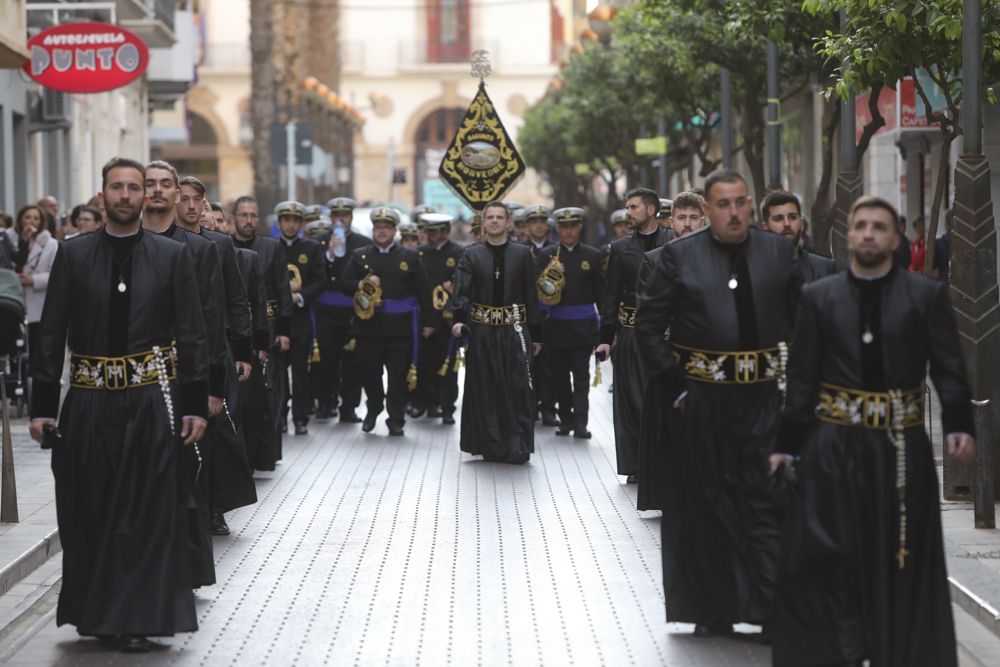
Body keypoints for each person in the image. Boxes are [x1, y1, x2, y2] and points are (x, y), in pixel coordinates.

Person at [769, 196, 974, 667]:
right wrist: (785, 449)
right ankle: (841, 650)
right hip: (832, 450)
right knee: (830, 552)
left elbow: (948, 367)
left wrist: (959, 425)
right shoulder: (819, 298)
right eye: (860, 225)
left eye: (878, 227)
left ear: (895, 238)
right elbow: (802, 380)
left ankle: (895, 650)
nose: (867, 233)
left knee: (899, 556)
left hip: (902, 452)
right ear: (849, 235)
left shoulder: (924, 296)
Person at [30, 156, 208, 652]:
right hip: (86, 405)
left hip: (149, 403)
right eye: (118, 187)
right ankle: (98, 614)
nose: (128, 195)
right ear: (103, 194)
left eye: (135, 187)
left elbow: (193, 333)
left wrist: (194, 404)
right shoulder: (74, 254)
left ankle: (135, 617)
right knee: (89, 508)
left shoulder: (172, 258)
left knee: (144, 513)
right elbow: (51, 332)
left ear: (146, 195)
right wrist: (43, 406)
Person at [635, 169, 800, 636]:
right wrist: (678, 389)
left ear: (751, 206)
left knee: (767, 501)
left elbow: (804, 319)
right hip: (701, 400)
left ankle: (771, 608)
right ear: (707, 210)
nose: (733, 212)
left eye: (741, 203)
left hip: (765, 399)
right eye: (723, 204)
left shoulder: (779, 253)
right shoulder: (678, 257)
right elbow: (649, 327)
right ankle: (713, 608)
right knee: (706, 507)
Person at [143, 161, 233, 565]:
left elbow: (212, 322)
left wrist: (213, 387)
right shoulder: (124, 244)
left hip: (185, 377)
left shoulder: (200, 250)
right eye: (150, 184)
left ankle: (187, 563)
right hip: (137, 381)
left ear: (178, 194)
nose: (158, 191)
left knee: (186, 471)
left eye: (167, 184)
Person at [451, 201, 542, 463]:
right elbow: (461, 290)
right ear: (483, 222)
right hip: (483, 332)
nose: (494, 221)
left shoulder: (522, 254)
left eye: (499, 217)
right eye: (489, 217)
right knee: (486, 386)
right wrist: (459, 320)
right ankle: (490, 445)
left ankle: (518, 444)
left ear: (508, 222)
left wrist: (537, 335)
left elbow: (530, 295)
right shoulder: (471, 254)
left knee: (519, 387)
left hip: (515, 331)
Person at [634, 190, 704, 510]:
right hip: (669, 357)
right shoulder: (654, 260)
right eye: (682, 218)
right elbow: (648, 314)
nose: (687, 224)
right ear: (671, 221)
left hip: (707, 361)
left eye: (694, 218)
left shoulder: (715, 257)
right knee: (665, 432)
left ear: (702, 220)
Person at [596, 187, 672, 484]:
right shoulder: (620, 247)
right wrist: (605, 337)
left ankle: (664, 461)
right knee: (631, 401)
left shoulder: (673, 241)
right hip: (630, 335)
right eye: (627, 208)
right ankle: (637, 465)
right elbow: (610, 295)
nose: (628, 213)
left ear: (651, 210)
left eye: (633, 207)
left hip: (667, 336)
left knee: (662, 398)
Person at [339, 207, 431, 436]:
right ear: (373, 230)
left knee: (398, 376)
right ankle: (374, 408)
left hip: (399, 328)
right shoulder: (360, 256)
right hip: (368, 327)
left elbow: (424, 291)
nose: (382, 232)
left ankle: (396, 418)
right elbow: (344, 283)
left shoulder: (410, 257)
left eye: (387, 228)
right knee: (369, 372)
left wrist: (429, 322)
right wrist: (361, 284)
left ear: (395, 231)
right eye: (378, 228)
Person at [230, 196, 292, 469]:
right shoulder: (223, 247)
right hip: (237, 330)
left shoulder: (271, 246)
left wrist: (283, 330)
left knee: (273, 393)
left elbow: (282, 288)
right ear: (234, 218)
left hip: (267, 330)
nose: (249, 220)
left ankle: (269, 451)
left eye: (253, 215)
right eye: (243, 215)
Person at [539, 207, 604, 439]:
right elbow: (538, 295)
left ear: (579, 228)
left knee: (581, 377)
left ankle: (581, 423)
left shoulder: (593, 255)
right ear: (557, 229)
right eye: (564, 227)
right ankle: (565, 420)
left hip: (584, 326)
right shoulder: (547, 255)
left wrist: (606, 332)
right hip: (556, 326)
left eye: (573, 226)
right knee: (559, 376)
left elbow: (601, 293)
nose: (568, 231)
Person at [312, 197, 368, 424]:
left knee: (353, 362)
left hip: (352, 312)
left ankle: (349, 406)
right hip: (325, 311)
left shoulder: (363, 243)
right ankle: (325, 402)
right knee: (326, 359)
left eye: (345, 216)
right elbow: (315, 275)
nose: (340, 220)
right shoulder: (318, 242)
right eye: (336, 216)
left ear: (351, 218)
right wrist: (330, 255)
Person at [276, 200, 327, 435]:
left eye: (295, 221)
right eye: (286, 220)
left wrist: (301, 296)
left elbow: (320, 279)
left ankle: (300, 416)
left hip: (301, 319)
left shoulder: (312, 247)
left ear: (302, 224)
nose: (290, 225)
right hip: (276, 321)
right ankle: (280, 414)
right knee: (279, 372)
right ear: (279, 223)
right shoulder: (270, 246)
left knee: (300, 371)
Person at [410, 213, 464, 424]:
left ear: (446, 231)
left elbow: (462, 287)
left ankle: (447, 407)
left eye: (435, 232)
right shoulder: (418, 254)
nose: (430, 236)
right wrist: (427, 322)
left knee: (448, 365)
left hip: (447, 321)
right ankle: (426, 402)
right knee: (423, 363)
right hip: (424, 319)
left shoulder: (458, 253)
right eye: (427, 232)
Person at [521, 204, 559, 426]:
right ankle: (529, 407)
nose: (538, 226)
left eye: (541, 222)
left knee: (549, 365)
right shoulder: (519, 249)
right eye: (533, 222)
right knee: (527, 363)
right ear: (526, 226)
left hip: (551, 317)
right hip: (527, 315)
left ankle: (548, 408)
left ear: (547, 225)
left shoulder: (557, 250)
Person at [760, 190, 836, 282]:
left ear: (802, 224)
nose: (787, 224)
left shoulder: (823, 268)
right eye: (778, 219)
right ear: (765, 227)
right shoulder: (754, 269)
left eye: (792, 217)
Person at [15, 204, 59, 361]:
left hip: (39, 302)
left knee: (37, 349)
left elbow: (56, 274)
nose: (31, 222)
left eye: (36, 218)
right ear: (20, 220)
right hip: (16, 301)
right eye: (27, 217)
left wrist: (33, 280)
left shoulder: (51, 244)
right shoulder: (11, 241)